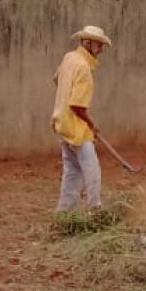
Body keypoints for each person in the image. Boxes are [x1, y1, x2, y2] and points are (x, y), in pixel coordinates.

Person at [51, 25, 111, 212]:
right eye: (99, 45)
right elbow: (77, 105)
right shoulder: (83, 68)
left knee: (72, 170)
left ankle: (64, 211)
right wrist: (92, 124)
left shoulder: (69, 58)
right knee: (92, 169)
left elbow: (56, 79)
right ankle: (96, 209)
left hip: (62, 123)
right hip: (76, 127)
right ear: (87, 43)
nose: (101, 50)